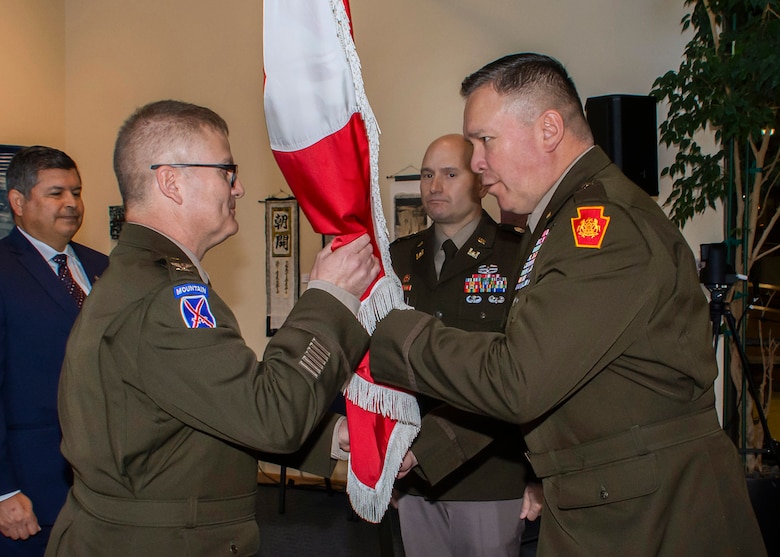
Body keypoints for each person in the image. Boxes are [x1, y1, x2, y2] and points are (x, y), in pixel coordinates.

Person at [368, 53, 767, 556]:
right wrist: (421, 454)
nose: (476, 163)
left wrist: (393, 333)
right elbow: (543, 380)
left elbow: (520, 381)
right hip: (612, 502)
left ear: (549, 130)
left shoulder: (600, 228)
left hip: (651, 515)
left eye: (484, 140)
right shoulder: (558, 224)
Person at [44, 100, 379, 557]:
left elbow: (205, 410)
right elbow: (268, 417)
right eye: (226, 170)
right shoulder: (164, 296)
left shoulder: (146, 277)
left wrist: (332, 435)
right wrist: (329, 298)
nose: (238, 187)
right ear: (171, 182)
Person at [388, 133, 540, 556]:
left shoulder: (517, 255)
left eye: (450, 174)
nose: (434, 186)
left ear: (477, 181)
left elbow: (537, 372)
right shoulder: (398, 259)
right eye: (427, 174)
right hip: (412, 475)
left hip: (490, 475)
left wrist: (539, 477)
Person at [0, 146, 109, 557]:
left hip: (105, 483)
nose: (71, 203)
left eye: (77, 192)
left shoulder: (105, 267)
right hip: (31, 488)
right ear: (18, 202)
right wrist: (3, 490)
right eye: (56, 193)